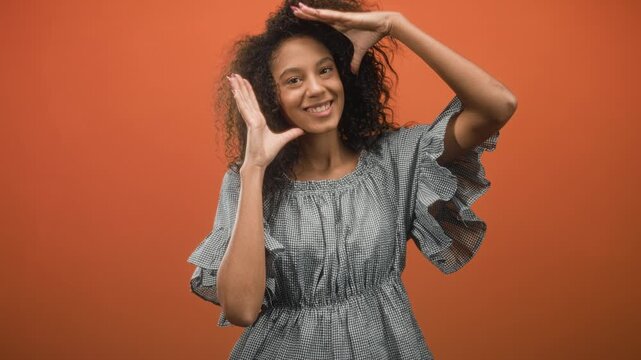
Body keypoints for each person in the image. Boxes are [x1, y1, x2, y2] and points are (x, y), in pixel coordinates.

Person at [187, 0, 517, 358]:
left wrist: (396, 24)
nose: (316, 88)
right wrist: (253, 169)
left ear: (344, 74)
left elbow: (498, 105)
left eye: (325, 70)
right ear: (273, 98)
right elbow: (240, 309)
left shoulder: (394, 161)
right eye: (293, 80)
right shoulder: (249, 179)